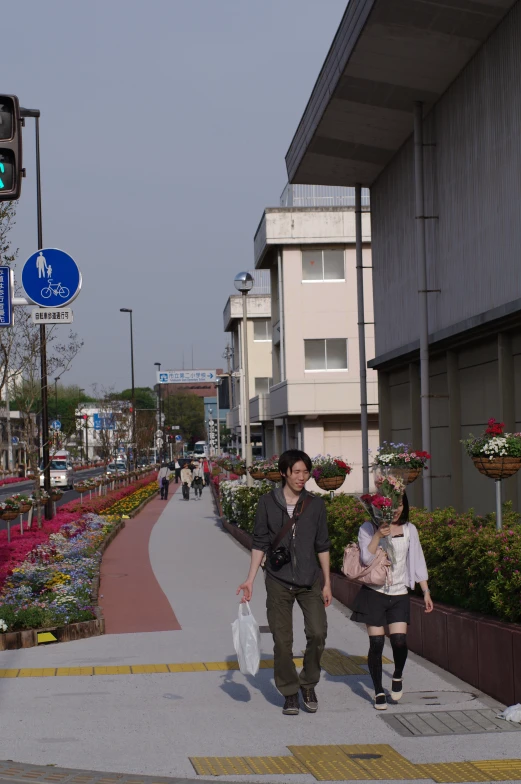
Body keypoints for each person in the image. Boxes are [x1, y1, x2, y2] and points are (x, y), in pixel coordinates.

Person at [236, 449, 332, 716]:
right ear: (284, 473)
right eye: (296, 472)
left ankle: (308, 683)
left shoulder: (315, 505)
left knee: (317, 632)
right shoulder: (267, 503)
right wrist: (250, 579)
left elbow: (322, 545)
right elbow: (259, 543)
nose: (302, 477)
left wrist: (327, 583)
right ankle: (290, 692)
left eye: (305, 472)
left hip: (310, 580)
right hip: (278, 580)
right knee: (282, 640)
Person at [351, 494, 433, 710]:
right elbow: (365, 560)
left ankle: (397, 674)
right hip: (373, 593)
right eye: (390, 505)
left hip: (398, 594)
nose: (395, 509)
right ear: (380, 507)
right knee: (376, 644)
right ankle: (378, 689)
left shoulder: (409, 529)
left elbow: (417, 560)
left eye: (399, 504)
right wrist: (378, 535)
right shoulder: (368, 528)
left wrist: (425, 590)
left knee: (399, 641)